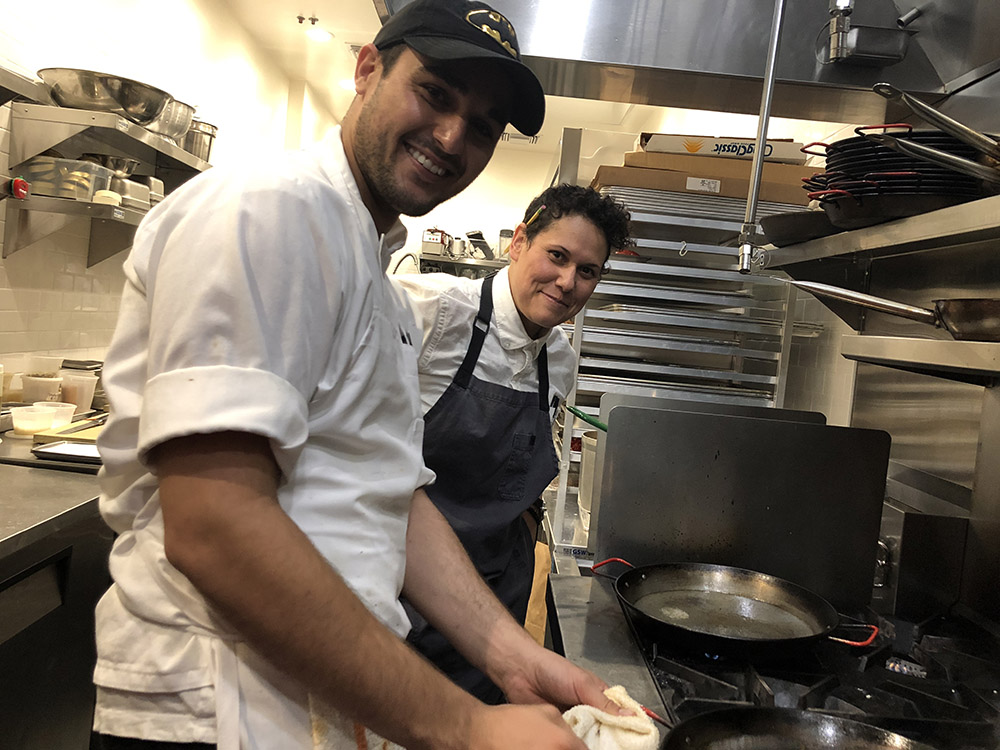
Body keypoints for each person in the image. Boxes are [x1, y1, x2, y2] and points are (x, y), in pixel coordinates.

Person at [91, 2, 621, 748]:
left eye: (481, 125)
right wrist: (467, 727)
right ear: (367, 68)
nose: (451, 137)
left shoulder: (367, 265)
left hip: (310, 699)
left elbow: (390, 492)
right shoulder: (274, 211)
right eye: (436, 93)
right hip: (212, 710)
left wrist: (513, 658)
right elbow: (215, 525)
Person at [393, 185, 632, 703]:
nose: (568, 282)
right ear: (519, 242)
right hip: (401, 583)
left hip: (498, 589)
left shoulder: (560, 361)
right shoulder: (428, 313)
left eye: (587, 271)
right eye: (558, 256)